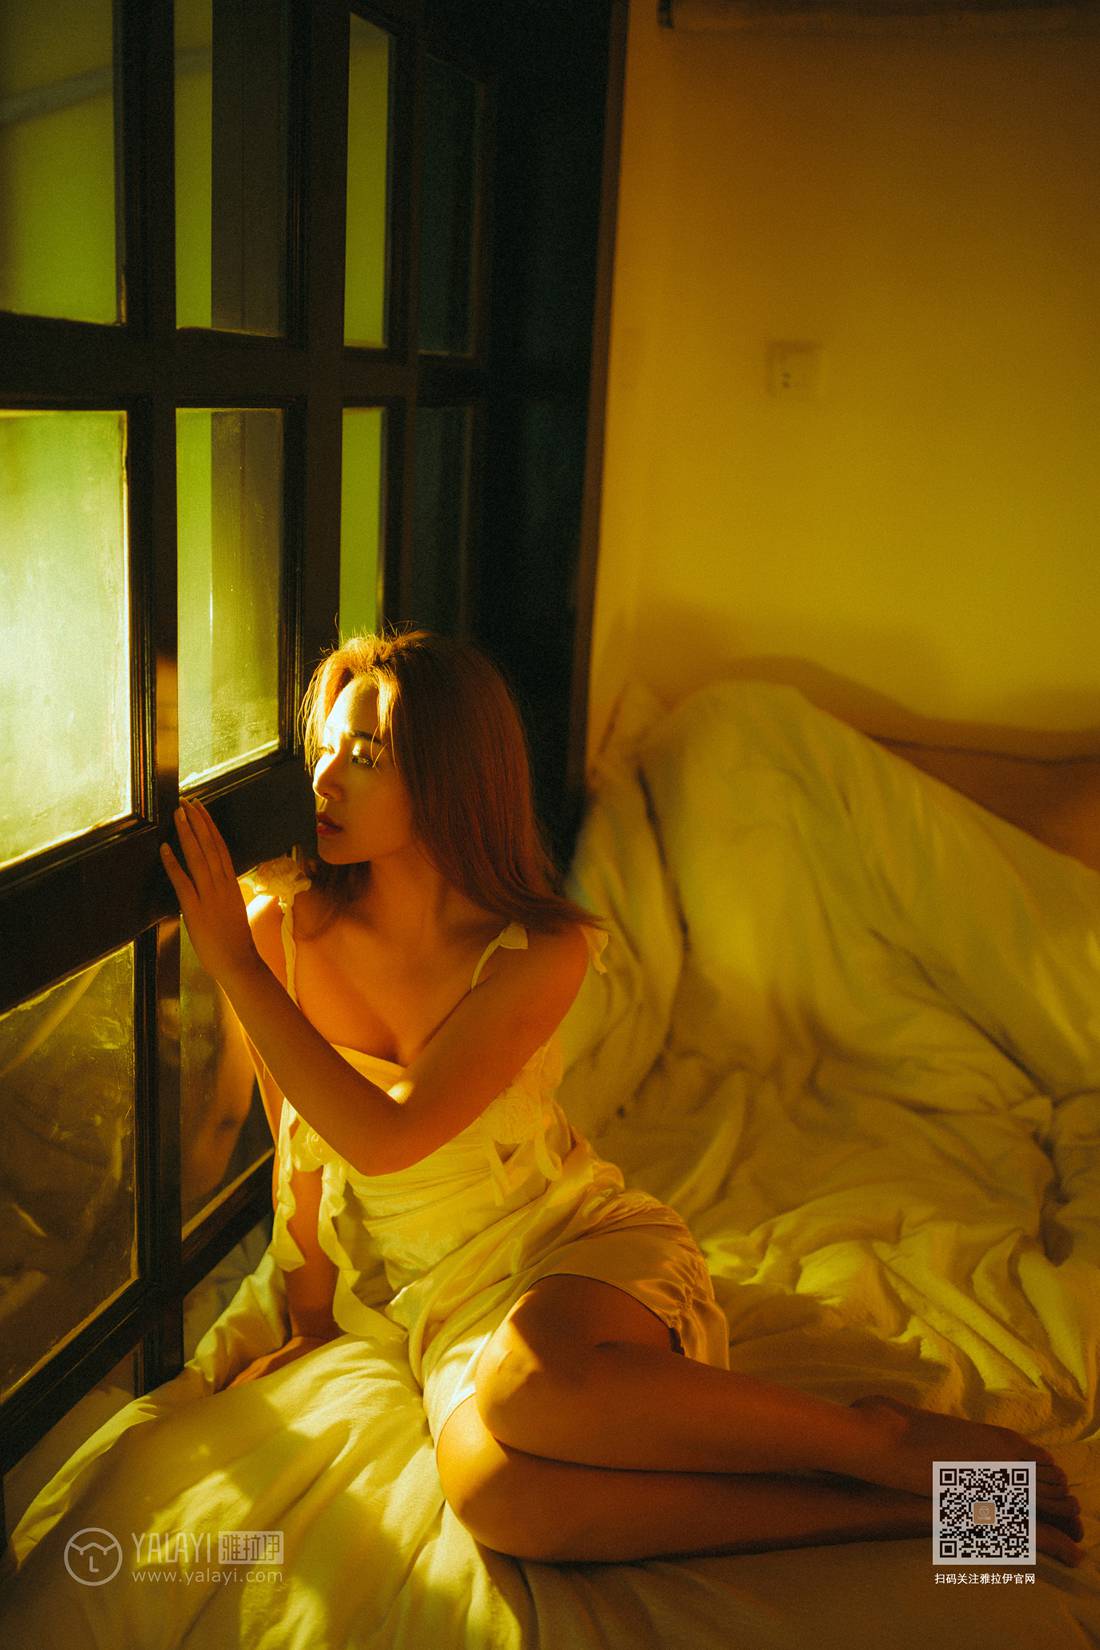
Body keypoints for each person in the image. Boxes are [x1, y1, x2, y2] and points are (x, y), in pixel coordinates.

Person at [158, 626, 1085, 1569]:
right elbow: (301, 1146)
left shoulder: (537, 952)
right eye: (323, 750)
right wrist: (311, 1323)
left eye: (364, 756)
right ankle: (908, 1517)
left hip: (570, 1250)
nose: (323, 780)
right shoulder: (278, 930)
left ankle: (875, 1442)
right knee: (498, 1501)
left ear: (451, 775)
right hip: (448, 1308)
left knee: (528, 1387)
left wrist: (233, 964)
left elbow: (387, 1136)